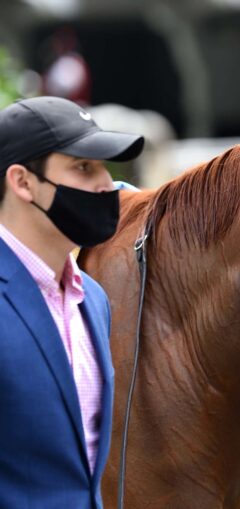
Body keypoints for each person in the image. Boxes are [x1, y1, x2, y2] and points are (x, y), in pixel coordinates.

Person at [0, 96, 143, 508]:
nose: (106, 184)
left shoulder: (92, 299)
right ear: (22, 182)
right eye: (84, 167)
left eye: (103, 166)